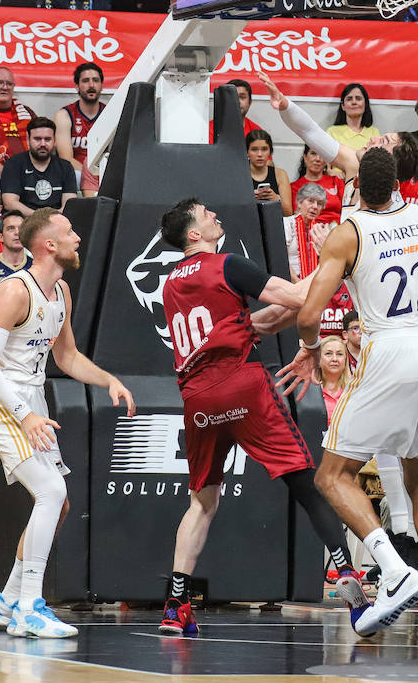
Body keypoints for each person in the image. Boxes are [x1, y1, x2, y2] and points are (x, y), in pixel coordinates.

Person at [282, 147, 418, 644]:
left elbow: (310, 315)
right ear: (401, 182)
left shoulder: (348, 232)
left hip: (391, 351)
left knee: (332, 476)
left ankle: (392, 569)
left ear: (354, 188)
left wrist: (311, 351)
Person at [156, 198, 368, 637]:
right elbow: (298, 296)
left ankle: (176, 606)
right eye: (205, 214)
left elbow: (258, 322)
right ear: (193, 234)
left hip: (197, 398)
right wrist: (336, 254)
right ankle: (347, 577)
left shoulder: (171, 283)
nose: (216, 214)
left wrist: (290, 305)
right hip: (241, 385)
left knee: (202, 502)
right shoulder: (226, 264)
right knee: (305, 481)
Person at [0, 208, 134, 640]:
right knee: (52, 490)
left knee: (57, 503)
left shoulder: (60, 289)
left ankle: (8, 598)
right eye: (69, 232)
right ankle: (30, 606)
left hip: (32, 398)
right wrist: (24, 415)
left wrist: (108, 380)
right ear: (48, 244)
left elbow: (66, 357)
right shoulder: (13, 291)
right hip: (2, 400)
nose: (77, 238)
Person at [0, 119, 80, 216]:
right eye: (37, 139)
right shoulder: (13, 164)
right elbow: (10, 203)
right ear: (28, 139)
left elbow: (70, 204)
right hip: (24, 222)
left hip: (56, 222)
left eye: (47, 139)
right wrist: (39, 219)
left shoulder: (65, 167)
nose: (43, 144)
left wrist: (53, 220)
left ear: (55, 140)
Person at [55, 62, 105, 197]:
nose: (91, 85)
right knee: (72, 177)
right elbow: (66, 158)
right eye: (85, 81)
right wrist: (90, 175)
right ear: (77, 86)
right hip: (77, 171)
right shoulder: (64, 115)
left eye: (95, 80)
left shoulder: (110, 114)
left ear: (101, 85)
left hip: (104, 171)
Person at [245, 130, 293, 216]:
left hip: (273, 223)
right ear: (247, 152)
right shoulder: (239, 174)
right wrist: (249, 198)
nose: (259, 154)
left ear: (270, 152)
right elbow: (231, 207)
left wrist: (276, 199)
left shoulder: (280, 174)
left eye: (264, 149)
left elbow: (288, 212)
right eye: (254, 149)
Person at [0, 210, 33, 278]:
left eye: (21, 228)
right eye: (11, 229)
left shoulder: (34, 266)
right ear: (0, 237)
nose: (17, 232)